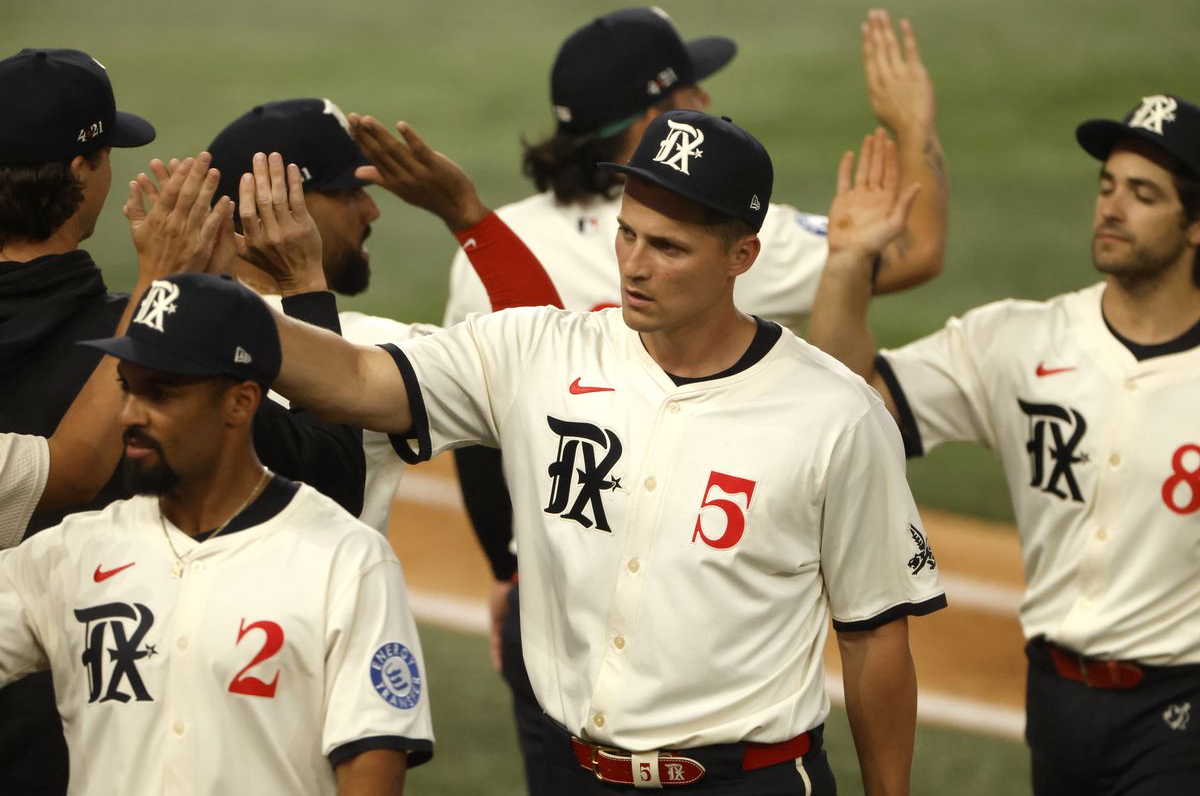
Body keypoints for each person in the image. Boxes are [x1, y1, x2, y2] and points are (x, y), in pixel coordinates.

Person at [256, 109, 946, 795]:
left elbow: (875, 636)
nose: (635, 267)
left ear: (742, 257)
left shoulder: (836, 414)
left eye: (668, 248)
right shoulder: (539, 352)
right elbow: (352, 382)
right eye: (626, 235)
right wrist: (222, 309)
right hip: (578, 776)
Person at [441, 8, 951, 790]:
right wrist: (913, 124)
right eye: (690, 87)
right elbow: (913, 249)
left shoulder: (494, 250)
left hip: (554, 603)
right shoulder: (728, 233)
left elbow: (481, 435)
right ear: (658, 118)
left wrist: (508, 572)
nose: (706, 97)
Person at [806, 96, 1200, 794]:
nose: (1112, 207)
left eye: (1143, 195)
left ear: (1195, 224)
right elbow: (852, 398)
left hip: (1182, 710)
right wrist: (846, 267)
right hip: (1055, 700)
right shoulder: (1020, 341)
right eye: (1107, 186)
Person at [0, 47, 364, 795]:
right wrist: (291, 286)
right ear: (82, 174)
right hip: (105, 746)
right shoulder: (150, 366)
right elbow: (332, 478)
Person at [0, 269, 434, 796]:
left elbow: (372, 770)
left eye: (161, 393)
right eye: (127, 388)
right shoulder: (68, 555)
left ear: (241, 402)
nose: (129, 415)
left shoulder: (346, 561)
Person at [206, 98, 561, 534]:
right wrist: (466, 214)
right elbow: (543, 363)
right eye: (348, 192)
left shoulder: (161, 324)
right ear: (274, 206)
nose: (371, 210)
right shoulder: (365, 348)